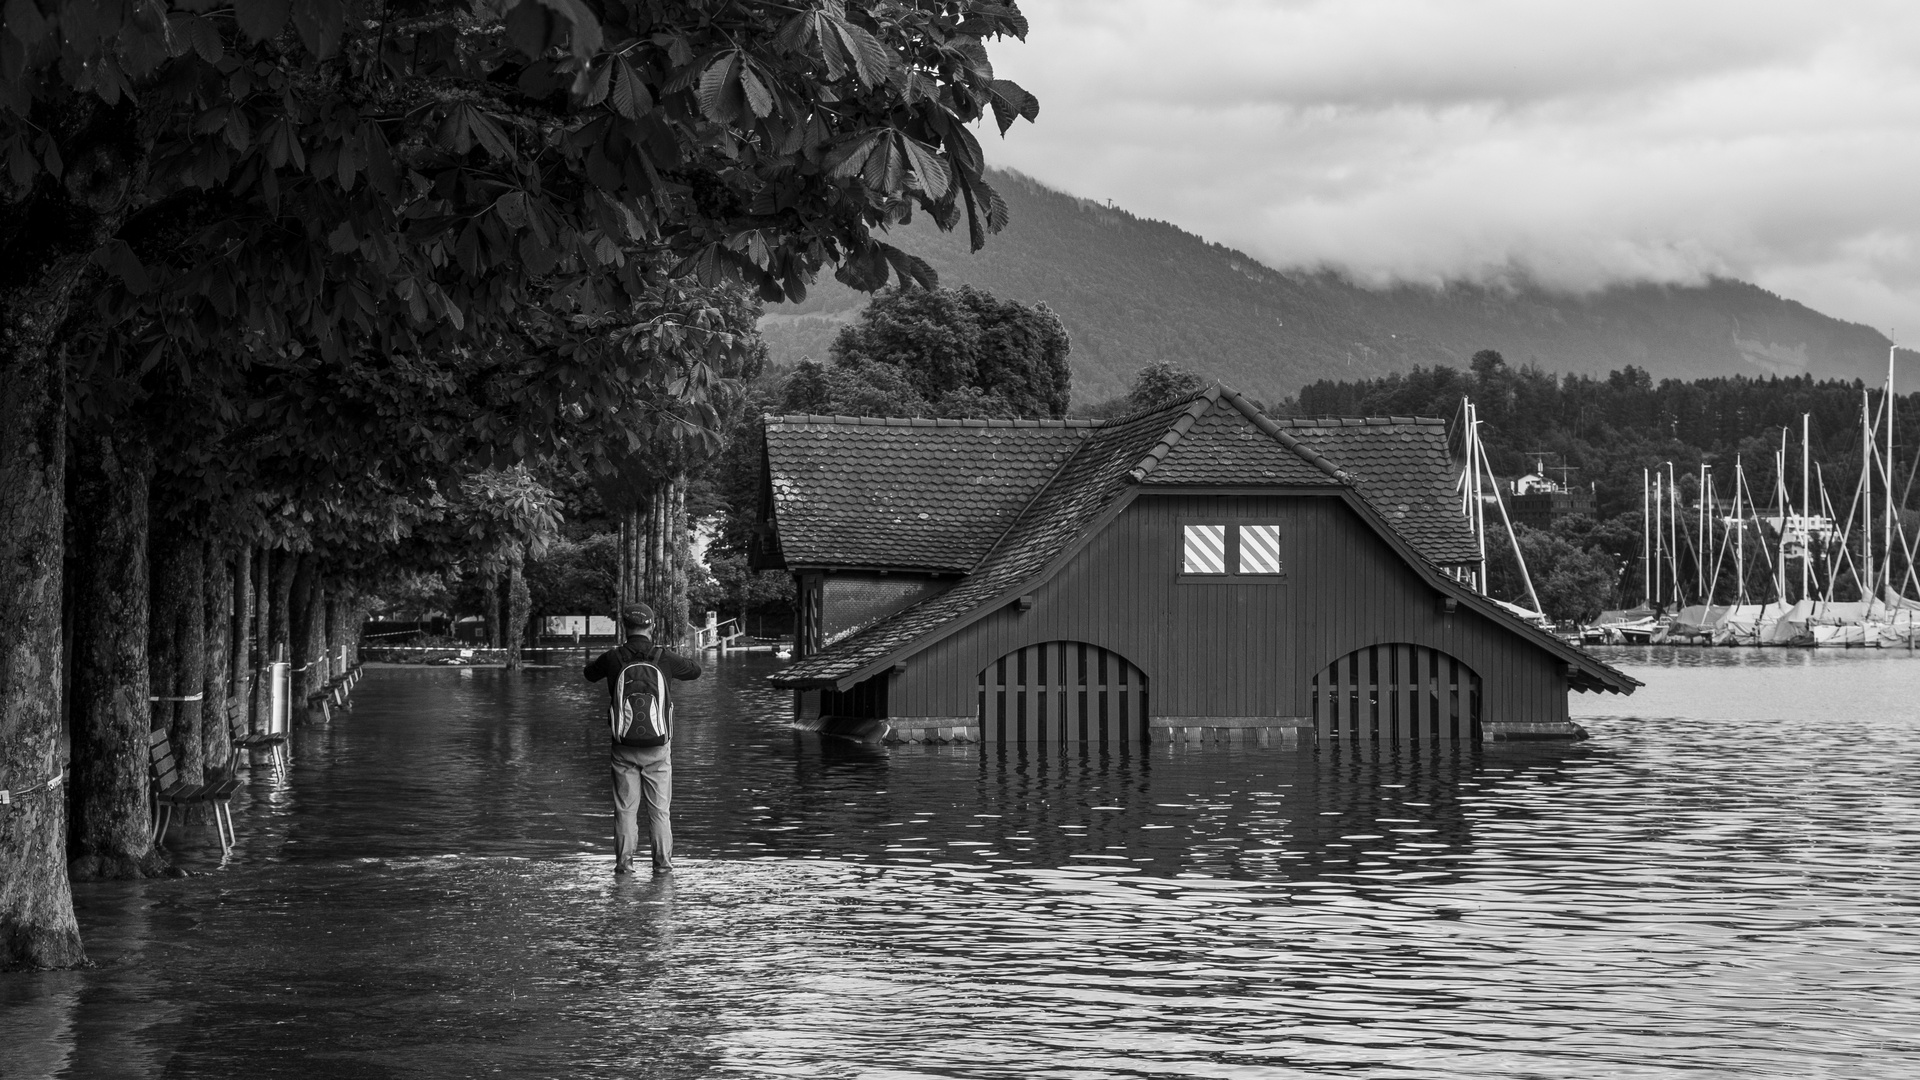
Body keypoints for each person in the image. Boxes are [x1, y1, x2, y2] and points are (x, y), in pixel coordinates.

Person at [583, 603, 702, 875]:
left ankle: (624, 866)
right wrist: (675, 654)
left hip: (622, 746)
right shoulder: (664, 658)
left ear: (624, 627)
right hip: (658, 747)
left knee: (625, 810)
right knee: (660, 811)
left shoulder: (613, 658)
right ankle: (662, 867)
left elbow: (588, 674)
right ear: (653, 626)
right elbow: (695, 671)